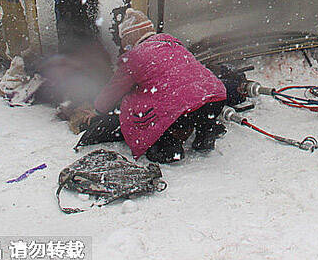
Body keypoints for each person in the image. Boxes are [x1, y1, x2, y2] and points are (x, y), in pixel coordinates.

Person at [91, 9, 228, 163]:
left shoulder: (133, 57)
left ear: (128, 41)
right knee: (195, 102)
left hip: (182, 108)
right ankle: (206, 130)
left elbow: (113, 90)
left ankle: (168, 146)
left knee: (136, 103)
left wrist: (98, 108)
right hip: (214, 97)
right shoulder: (172, 43)